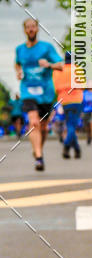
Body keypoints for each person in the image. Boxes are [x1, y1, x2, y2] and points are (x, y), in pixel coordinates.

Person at [14, 18, 63, 171]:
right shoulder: (20, 49)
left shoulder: (46, 48)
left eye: (33, 27)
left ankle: (37, 150)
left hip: (46, 93)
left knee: (43, 127)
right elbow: (17, 63)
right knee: (33, 122)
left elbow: (61, 65)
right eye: (28, 27)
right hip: (27, 90)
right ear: (24, 30)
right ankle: (39, 158)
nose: (31, 29)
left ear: (37, 29)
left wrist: (48, 64)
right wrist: (19, 72)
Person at [52, 53, 84, 159]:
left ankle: (77, 150)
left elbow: (56, 88)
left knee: (70, 125)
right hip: (76, 100)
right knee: (72, 126)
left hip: (64, 101)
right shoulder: (77, 69)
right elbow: (82, 86)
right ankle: (66, 146)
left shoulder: (57, 71)